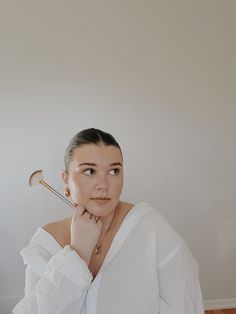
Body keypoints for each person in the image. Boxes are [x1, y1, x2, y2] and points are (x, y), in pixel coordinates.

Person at [13, 128, 204, 314]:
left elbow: (184, 301)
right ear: (66, 180)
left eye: (114, 171)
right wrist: (78, 253)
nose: (103, 185)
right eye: (89, 171)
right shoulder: (46, 242)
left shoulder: (150, 225)